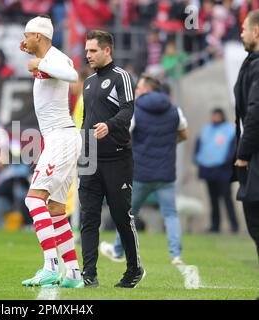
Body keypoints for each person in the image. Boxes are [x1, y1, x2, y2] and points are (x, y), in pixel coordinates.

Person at [19, 16, 84, 288]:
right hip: (62, 137)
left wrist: (40, 64)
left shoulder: (56, 58)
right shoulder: (50, 58)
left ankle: (50, 265)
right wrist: (39, 62)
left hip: (60, 138)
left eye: (27, 35)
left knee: (34, 200)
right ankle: (72, 273)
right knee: (56, 208)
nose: (23, 40)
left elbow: (72, 75)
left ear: (39, 36)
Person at [98, 74, 188, 268]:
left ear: (147, 89)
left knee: (128, 213)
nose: (136, 91)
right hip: (166, 173)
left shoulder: (136, 110)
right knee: (171, 214)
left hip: (141, 173)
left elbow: (123, 135)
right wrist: (167, 144)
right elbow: (184, 134)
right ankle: (176, 255)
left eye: (138, 87)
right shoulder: (174, 110)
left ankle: (118, 250)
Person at [80, 30, 145, 289]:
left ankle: (134, 269)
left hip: (117, 158)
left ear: (108, 50)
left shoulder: (122, 77)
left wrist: (109, 125)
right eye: (86, 51)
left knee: (120, 216)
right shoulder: (88, 81)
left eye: (93, 51)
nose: (88, 55)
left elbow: (128, 109)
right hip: (89, 158)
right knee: (89, 217)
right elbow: (86, 118)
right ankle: (89, 274)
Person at [234, 9, 259, 261]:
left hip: (254, 155)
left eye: (244, 29)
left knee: (255, 222)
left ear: (256, 31)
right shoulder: (252, 62)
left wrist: (243, 154)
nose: (241, 34)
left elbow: (255, 112)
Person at [195, 108, 238, 233]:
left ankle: (234, 225)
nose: (215, 118)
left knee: (227, 198)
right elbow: (198, 146)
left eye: (218, 116)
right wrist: (199, 160)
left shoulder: (229, 130)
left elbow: (232, 150)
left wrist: (226, 162)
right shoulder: (206, 130)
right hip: (208, 169)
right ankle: (215, 225)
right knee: (213, 199)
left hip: (223, 170)